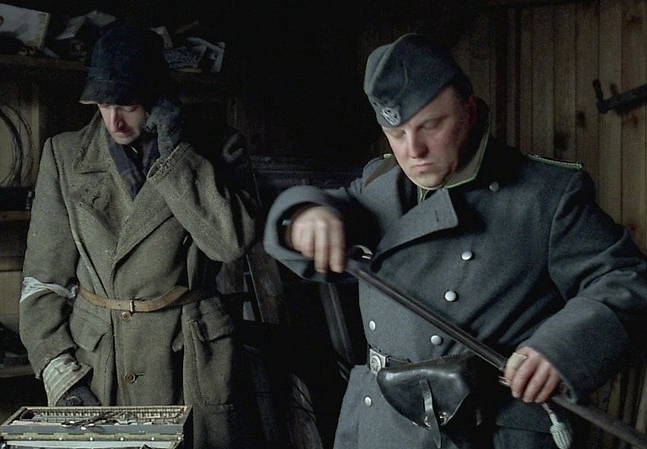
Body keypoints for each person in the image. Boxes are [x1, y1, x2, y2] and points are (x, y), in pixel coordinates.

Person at [263, 33, 647, 449]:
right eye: (396, 132)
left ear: (469, 109)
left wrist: (562, 348)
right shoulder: (378, 182)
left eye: (430, 125)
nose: (414, 150)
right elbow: (322, 210)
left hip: (486, 428)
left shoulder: (547, 194)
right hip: (382, 422)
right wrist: (304, 216)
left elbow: (627, 280)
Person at [19, 24, 259, 449]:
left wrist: (176, 154)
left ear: (158, 97)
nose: (114, 121)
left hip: (189, 356)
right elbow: (43, 278)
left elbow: (229, 242)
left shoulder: (218, 146)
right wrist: (58, 371)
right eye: (103, 105)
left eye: (128, 105)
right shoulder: (65, 155)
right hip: (99, 360)